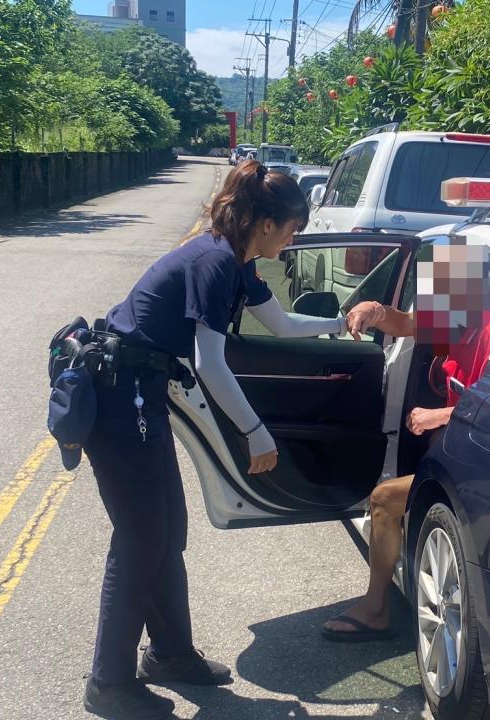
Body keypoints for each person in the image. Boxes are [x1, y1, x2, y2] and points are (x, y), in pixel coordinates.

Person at [80, 160, 348, 720]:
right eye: (294, 229)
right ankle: (108, 683)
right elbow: (209, 361)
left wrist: (341, 325)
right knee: (140, 539)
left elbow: (282, 326)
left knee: (165, 531)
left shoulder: (241, 262)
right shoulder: (215, 261)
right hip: (116, 395)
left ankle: (171, 656)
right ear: (267, 222)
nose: (296, 239)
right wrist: (255, 433)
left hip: (140, 393)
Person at [322, 240, 490, 642]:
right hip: (458, 450)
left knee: (385, 499)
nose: (433, 303)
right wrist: (374, 311)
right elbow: (408, 324)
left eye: (442, 290)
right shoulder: (465, 314)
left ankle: (376, 609)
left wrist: (438, 415)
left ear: (476, 288)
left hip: (481, 461)